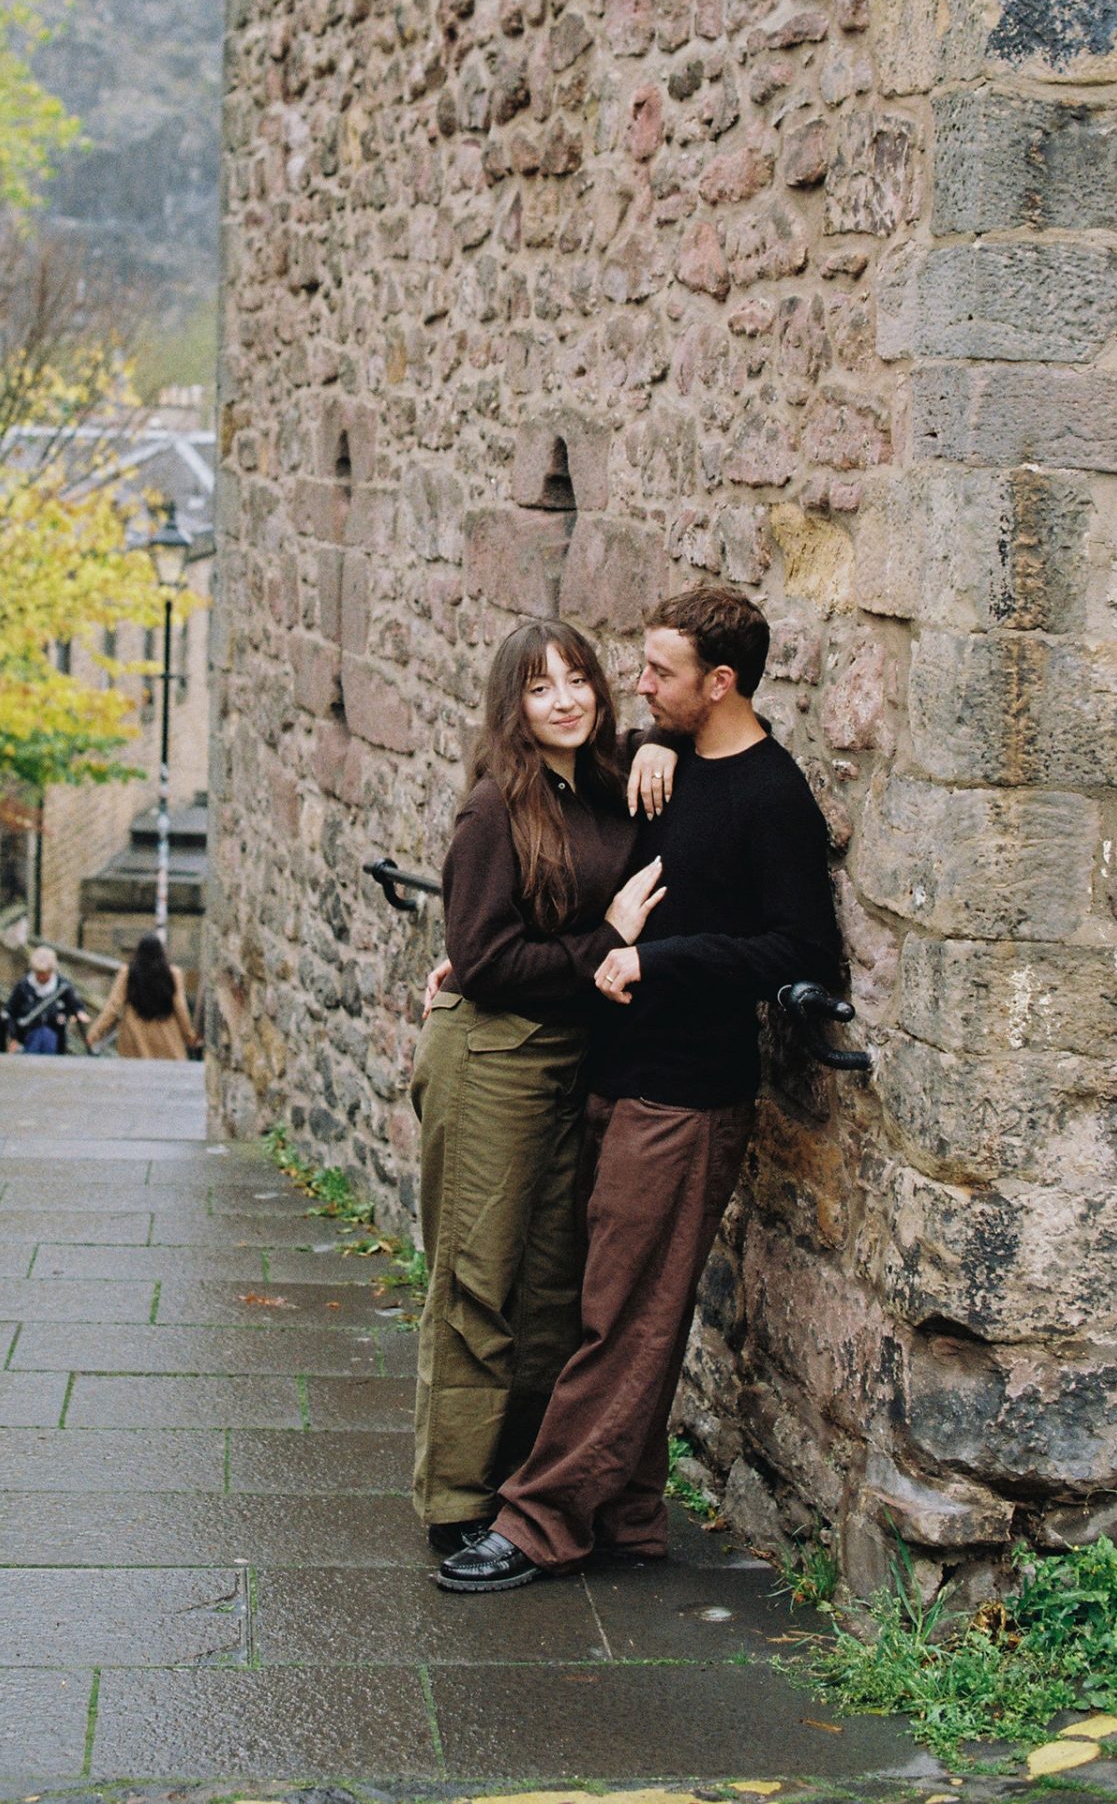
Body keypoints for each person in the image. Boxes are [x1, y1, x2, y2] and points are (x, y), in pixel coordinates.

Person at [437, 584, 842, 1593]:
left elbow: (802, 949)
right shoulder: (665, 765)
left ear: (720, 682)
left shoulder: (773, 794)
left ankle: (541, 1521)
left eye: (660, 673)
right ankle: (627, 1510)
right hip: (615, 1073)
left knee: (625, 1314)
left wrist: (662, 961)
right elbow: (575, 872)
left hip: (689, 1092)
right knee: (599, 1299)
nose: (636, 685)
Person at [411, 617, 678, 1557]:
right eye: (539, 686)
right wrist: (605, 936)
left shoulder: (606, 785)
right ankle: (455, 1499)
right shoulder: (497, 807)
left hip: (571, 1059)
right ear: (511, 706)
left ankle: (523, 1485)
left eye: (578, 680)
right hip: (491, 1056)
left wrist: (664, 743)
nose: (565, 699)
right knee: (477, 1280)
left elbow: (662, 743)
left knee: (554, 1287)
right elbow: (480, 958)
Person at [89, 933, 198, 1060]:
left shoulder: (128, 972)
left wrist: (94, 1034)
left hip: (134, 1036)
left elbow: (113, 1005)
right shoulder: (173, 973)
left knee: (135, 1076)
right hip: (167, 1037)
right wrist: (189, 1036)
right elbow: (180, 1007)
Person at [5, 945, 90, 1054]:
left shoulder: (62, 986)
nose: (41, 977)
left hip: (56, 1038)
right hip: (28, 1038)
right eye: (38, 973)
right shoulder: (23, 986)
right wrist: (14, 1038)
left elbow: (75, 1005)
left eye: (44, 974)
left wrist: (79, 1012)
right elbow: (10, 1011)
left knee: (47, 1036)